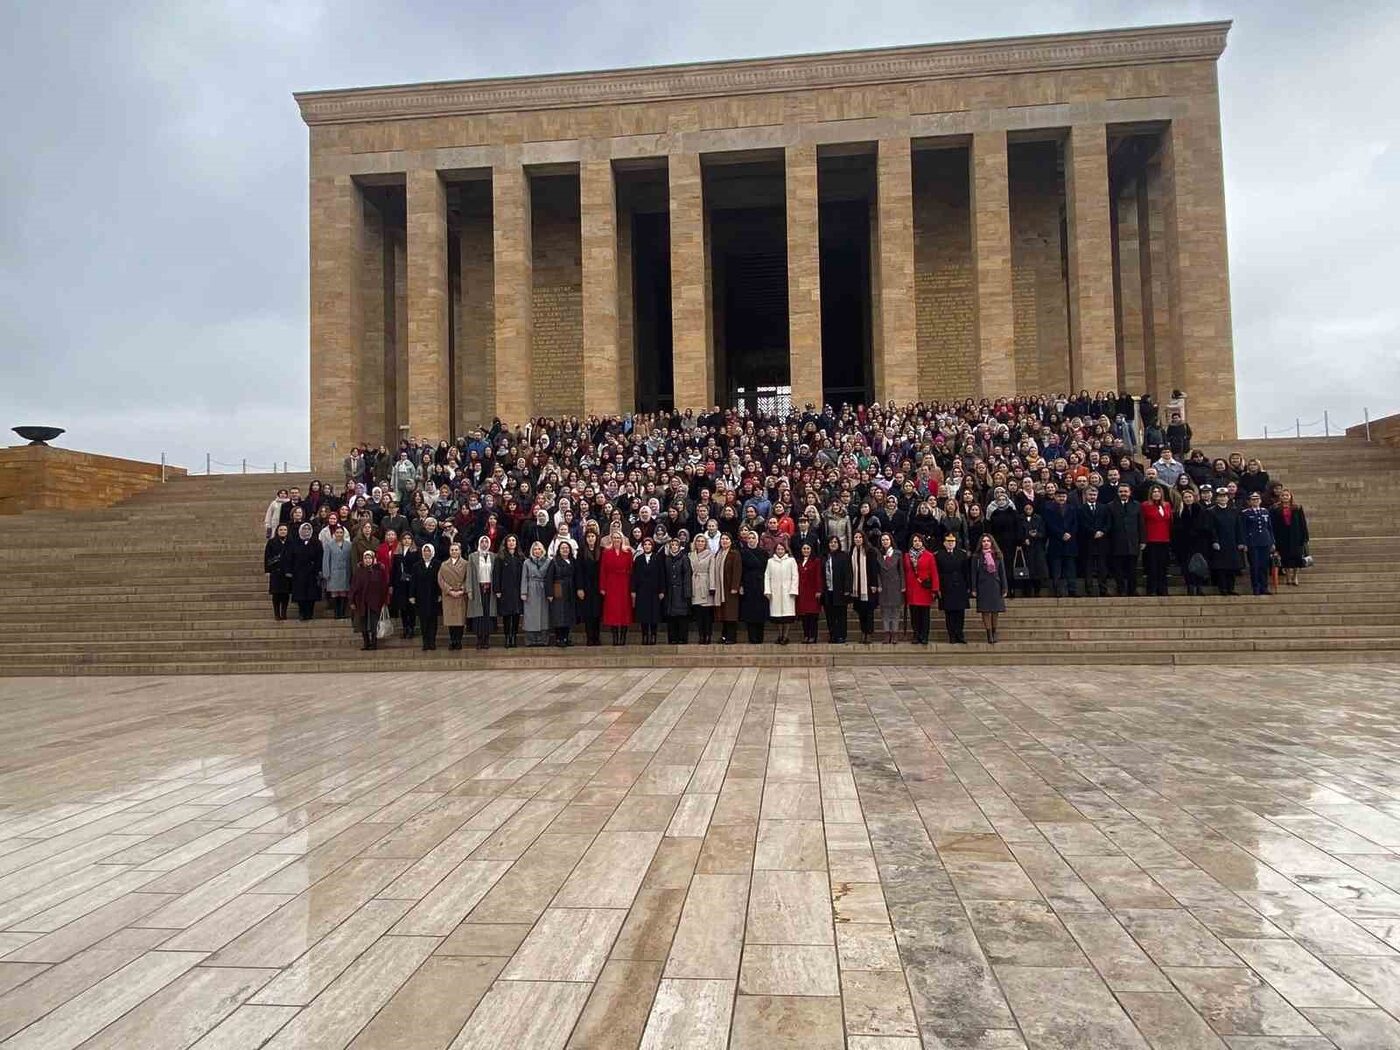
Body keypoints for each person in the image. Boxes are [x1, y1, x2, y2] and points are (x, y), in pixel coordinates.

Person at [1173, 488, 1213, 597]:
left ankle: (1199, 587)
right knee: (1186, 566)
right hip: (1184, 544)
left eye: (1189, 497)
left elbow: (1205, 526)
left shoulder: (1201, 510)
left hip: (1199, 543)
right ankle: (1190, 586)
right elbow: (1176, 528)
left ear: (1193, 497)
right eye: (1185, 497)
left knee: (1199, 565)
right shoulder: (1179, 511)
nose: (1188, 499)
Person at [1206, 488, 1246, 596]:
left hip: (1232, 543)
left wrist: (1240, 541)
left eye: (1224, 496)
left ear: (1228, 498)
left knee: (1232, 567)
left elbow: (1238, 527)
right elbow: (1212, 528)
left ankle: (1230, 588)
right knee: (1221, 567)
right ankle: (1222, 588)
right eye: (1220, 496)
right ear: (1216, 498)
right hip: (1219, 543)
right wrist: (1215, 541)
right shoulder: (1212, 511)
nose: (1222, 498)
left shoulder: (1234, 511)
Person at [933, 531, 971, 644]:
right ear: (944, 543)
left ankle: (960, 634)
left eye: (953, 541)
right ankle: (952, 635)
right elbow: (937, 573)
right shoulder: (938, 555)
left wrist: (968, 586)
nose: (951, 543)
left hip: (960, 586)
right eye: (948, 541)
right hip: (946, 586)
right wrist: (937, 588)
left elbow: (966, 572)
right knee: (949, 613)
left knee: (960, 613)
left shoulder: (962, 554)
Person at [971, 534, 1009, 644]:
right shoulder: (976, 557)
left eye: (988, 541)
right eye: (984, 541)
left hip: (995, 585)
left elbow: (1002, 572)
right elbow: (973, 573)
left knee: (995, 611)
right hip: (982, 585)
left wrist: (1004, 587)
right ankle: (988, 634)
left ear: (992, 543)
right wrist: (973, 588)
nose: (986, 543)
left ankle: (994, 632)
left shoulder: (997, 555)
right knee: (985, 611)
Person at [1107, 484, 1142, 597]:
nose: (1123, 494)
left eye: (1125, 491)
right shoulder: (1111, 506)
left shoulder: (1137, 505)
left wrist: (1143, 541)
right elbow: (1109, 525)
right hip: (1116, 542)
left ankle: (1132, 590)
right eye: (1121, 491)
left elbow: (1141, 524)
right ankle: (1121, 589)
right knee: (1118, 569)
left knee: (1132, 569)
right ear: (1118, 493)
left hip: (1132, 542)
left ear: (1130, 492)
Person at [349, 548, 389, 650]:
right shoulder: (359, 571)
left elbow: (384, 586)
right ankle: (366, 643)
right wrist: (352, 600)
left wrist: (384, 600)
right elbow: (354, 586)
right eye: (366, 558)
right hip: (361, 602)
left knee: (374, 624)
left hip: (375, 601)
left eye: (369, 558)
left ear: (373, 559)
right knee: (363, 624)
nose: (367, 560)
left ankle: (374, 643)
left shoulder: (379, 570)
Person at [600, 531, 635, 646]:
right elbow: (603, 571)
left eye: (618, 538)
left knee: (624, 611)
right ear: (611, 539)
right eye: (614, 538)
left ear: (622, 539)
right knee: (613, 611)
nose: (616, 540)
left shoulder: (628, 552)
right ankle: (615, 638)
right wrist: (603, 587)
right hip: (611, 584)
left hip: (625, 583)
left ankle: (623, 638)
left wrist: (632, 588)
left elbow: (631, 570)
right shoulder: (606, 552)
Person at [1042, 489, 1078, 599]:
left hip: (1070, 543)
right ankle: (1057, 590)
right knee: (1056, 569)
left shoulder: (1072, 508)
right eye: (1059, 496)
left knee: (1070, 569)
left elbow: (1075, 523)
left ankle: (1072, 590)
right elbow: (1049, 524)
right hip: (1055, 542)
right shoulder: (1049, 509)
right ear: (1055, 497)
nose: (1061, 498)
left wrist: (1069, 534)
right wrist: (1061, 534)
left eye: (1063, 496)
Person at [1270, 489, 1310, 587]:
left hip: (1296, 536)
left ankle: (1295, 576)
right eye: (1283, 495)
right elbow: (1273, 524)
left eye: (1287, 495)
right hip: (1282, 536)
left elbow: (1302, 523)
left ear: (1290, 496)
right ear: (1280, 497)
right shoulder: (1276, 508)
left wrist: (1305, 537)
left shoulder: (1297, 508)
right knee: (1285, 557)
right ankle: (1288, 576)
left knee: (1297, 556)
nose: (1285, 497)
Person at [903, 533, 938, 645]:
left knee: (924, 615)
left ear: (922, 542)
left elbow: (934, 573)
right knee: (914, 614)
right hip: (912, 589)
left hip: (924, 589)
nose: (917, 543)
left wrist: (935, 589)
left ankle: (924, 636)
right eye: (914, 541)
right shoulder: (907, 556)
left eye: (919, 541)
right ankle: (916, 634)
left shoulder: (929, 555)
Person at [631, 536, 665, 645]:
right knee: (644, 614)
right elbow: (634, 576)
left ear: (652, 546)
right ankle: (645, 635)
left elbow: (661, 575)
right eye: (645, 544)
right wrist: (633, 590)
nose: (647, 546)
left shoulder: (657, 558)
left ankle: (653, 635)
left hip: (654, 591)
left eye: (649, 544)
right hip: (642, 591)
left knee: (654, 614)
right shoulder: (639, 559)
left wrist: (662, 590)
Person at [1241, 491, 1277, 596]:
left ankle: (1264, 587)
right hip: (1252, 542)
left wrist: (1272, 541)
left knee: (1264, 566)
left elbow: (1269, 528)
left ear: (1260, 500)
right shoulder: (1246, 513)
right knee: (1255, 566)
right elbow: (1243, 529)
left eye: (1257, 499)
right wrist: (1245, 543)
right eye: (1253, 499)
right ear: (1249, 501)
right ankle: (1256, 587)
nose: (1255, 501)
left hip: (1265, 541)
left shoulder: (1265, 511)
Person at [493, 534, 525, 648]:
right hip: (505, 590)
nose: (511, 543)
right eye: (509, 541)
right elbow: (496, 574)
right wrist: (497, 589)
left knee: (516, 615)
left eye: (513, 541)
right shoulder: (500, 557)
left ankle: (514, 637)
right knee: (506, 615)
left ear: (516, 543)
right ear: (506, 543)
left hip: (517, 591)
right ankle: (507, 638)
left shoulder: (521, 557)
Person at [764, 541, 799, 646]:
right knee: (778, 616)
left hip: (788, 592)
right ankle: (780, 635)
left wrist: (793, 590)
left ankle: (786, 636)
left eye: (782, 549)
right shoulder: (770, 561)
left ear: (785, 550)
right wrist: (768, 590)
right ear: (775, 550)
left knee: (787, 616)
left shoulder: (791, 561)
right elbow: (767, 576)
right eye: (778, 549)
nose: (780, 551)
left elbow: (795, 576)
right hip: (775, 592)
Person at [739, 531, 770, 644]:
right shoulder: (742, 553)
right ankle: (752, 638)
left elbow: (767, 569)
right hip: (748, 584)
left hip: (761, 584)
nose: (751, 540)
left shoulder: (763, 553)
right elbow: (740, 570)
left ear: (757, 540)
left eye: (753, 538)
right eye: (749, 538)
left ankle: (760, 637)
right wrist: (741, 584)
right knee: (749, 612)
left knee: (760, 612)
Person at [710, 531, 742, 645]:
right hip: (720, 588)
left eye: (727, 539)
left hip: (730, 588)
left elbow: (737, 571)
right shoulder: (718, 553)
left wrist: (735, 586)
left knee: (731, 614)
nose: (724, 541)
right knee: (723, 614)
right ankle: (724, 636)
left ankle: (731, 637)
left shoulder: (734, 554)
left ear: (730, 541)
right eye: (722, 539)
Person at [465, 535, 496, 650]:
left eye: (486, 542)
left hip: (490, 590)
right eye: (482, 542)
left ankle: (486, 639)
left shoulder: (493, 556)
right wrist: (469, 589)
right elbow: (469, 574)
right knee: (478, 615)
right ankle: (479, 640)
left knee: (488, 614)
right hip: (477, 588)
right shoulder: (472, 556)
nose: (484, 544)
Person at [1141, 487, 1173, 596]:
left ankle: (1163, 589)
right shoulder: (1145, 505)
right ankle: (1152, 590)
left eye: (1158, 491)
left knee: (1163, 566)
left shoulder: (1167, 505)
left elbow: (1170, 522)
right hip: (1151, 540)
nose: (1156, 493)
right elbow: (1142, 523)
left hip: (1164, 539)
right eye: (1154, 492)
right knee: (1152, 566)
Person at [544, 540, 578, 646]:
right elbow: (549, 578)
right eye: (563, 548)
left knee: (568, 615)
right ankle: (559, 638)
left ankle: (566, 637)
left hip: (570, 590)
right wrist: (549, 593)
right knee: (559, 615)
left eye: (567, 548)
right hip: (558, 589)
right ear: (559, 550)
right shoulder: (554, 561)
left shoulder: (573, 561)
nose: (565, 550)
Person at [437, 541, 470, 650]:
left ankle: (458, 640)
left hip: (461, 594)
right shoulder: (444, 564)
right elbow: (440, 579)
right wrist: (449, 590)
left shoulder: (466, 564)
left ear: (460, 551)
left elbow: (468, 578)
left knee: (459, 620)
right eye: (452, 550)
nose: (454, 551)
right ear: (449, 551)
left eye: (456, 549)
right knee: (450, 620)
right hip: (448, 595)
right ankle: (452, 640)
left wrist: (462, 589)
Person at [848, 530, 879, 644]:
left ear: (863, 538)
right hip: (857, 587)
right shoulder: (852, 551)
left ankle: (869, 633)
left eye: (859, 537)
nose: (857, 539)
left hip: (868, 586)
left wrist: (874, 584)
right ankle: (863, 632)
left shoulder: (870, 551)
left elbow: (873, 569)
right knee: (860, 612)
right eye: (855, 537)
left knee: (869, 611)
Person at [288, 522, 323, 621]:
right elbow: (290, 557)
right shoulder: (295, 542)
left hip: (312, 573)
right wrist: (290, 570)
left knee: (311, 595)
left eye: (308, 529)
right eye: (304, 529)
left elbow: (320, 557)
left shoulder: (316, 542)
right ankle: (302, 612)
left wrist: (318, 570)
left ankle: (310, 613)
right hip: (298, 573)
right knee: (300, 594)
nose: (306, 531)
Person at [661, 537, 693, 644]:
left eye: (676, 545)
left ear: (679, 547)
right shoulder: (667, 559)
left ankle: (682, 638)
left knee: (682, 616)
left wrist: (687, 592)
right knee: (671, 617)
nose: (674, 547)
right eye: (672, 545)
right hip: (670, 592)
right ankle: (672, 638)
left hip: (681, 592)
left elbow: (687, 575)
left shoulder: (684, 558)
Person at [822, 535, 853, 644]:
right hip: (828, 591)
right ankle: (833, 635)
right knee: (830, 616)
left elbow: (848, 574)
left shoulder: (843, 556)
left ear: (838, 544)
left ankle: (841, 636)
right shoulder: (825, 557)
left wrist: (847, 589)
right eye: (831, 542)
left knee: (841, 615)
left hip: (840, 591)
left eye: (835, 542)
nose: (833, 544)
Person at [520, 541, 551, 647]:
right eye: (535, 549)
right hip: (531, 589)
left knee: (544, 615)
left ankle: (543, 639)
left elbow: (550, 577)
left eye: (539, 549)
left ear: (542, 550)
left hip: (543, 589)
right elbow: (524, 577)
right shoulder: (527, 562)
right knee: (530, 615)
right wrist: (523, 592)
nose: (537, 551)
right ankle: (530, 640)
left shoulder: (548, 561)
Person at [410, 542, 440, 650]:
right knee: (423, 620)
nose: (426, 553)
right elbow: (413, 581)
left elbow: (440, 581)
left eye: (428, 551)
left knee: (433, 620)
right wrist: (411, 595)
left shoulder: (437, 564)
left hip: (433, 595)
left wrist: (440, 594)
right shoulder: (416, 565)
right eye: (425, 551)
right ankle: (425, 642)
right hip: (421, 596)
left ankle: (432, 641)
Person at [576, 532, 604, 646]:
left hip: (598, 587)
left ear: (596, 538)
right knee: (588, 614)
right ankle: (590, 638)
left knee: (597, 613)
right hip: (586, 586)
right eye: (588, 537)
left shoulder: (601, 551)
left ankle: (597, 637)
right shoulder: (581, 551)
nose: (591, 539)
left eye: (593, 536)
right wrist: (580, 588)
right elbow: (578, 571)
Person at [876, 531, 904, 644]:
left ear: (891, 541)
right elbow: (877, 572)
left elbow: (901, 571)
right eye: (883, 540)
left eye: (887, 539)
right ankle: (887, 633)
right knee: (885, 611)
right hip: (883, 586)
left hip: (895, 585)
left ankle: (894, 633)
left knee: (895, 611)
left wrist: (903, 586)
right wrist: (878, 584)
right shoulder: (878, 554)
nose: (885, 542)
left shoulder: (897, 553)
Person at [1016, 500, 1048, 598]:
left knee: (1038, 570)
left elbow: (1043, 532)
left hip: (1037, 548)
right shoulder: (1020, 519)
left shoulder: (1038, 518)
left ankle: (1037, 590)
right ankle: (1027, 591)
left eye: (1030, 508)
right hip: (1026, 549)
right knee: (1026, 570)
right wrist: (1024, 539)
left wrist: (1036, 535)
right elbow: (1017, 532)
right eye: (1026, 509)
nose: (1028, 510)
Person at [794, 540, 824, 643]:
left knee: (813, 616)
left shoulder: (816, 561)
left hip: (812, 591)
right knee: (804, 616)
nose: (806, 550)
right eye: (804, 549)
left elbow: (818, 576)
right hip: (802, 592)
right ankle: (806, 635)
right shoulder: (798, 561)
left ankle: (813, 636)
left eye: (808, 549)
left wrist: (819, 590)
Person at [689, 534, 716, 644]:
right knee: (699, 614)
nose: (700, 543)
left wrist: (712, 587)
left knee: (707, 614)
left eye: (702, 541)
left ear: (705, 543)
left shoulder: (711, 555)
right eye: (698, 541)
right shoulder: (690, 555)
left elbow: (712, 571)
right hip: (694, 584)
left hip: (706, 584)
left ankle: (708, 635)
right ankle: (701, 635)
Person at [321, 524, 353, 619]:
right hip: (333, 573)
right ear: (334, 534)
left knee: (343, 593)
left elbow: (351, 559)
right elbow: (326, 560)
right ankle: (337, 613)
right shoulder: (329, 545)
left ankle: (342, 612)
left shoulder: (349, 545)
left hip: (345, 572)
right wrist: (326, 573)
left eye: (341, 532)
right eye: (337, 532)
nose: (339, 534)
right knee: (335, 593)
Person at [390, 532, 418, 639]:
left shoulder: (415, 553)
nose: (407, 540)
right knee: (403, 608)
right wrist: (391, 584)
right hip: (399, 584)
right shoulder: (397, 553)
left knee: (411, 607)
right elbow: (393, 570)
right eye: (404, 538)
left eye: (409, 538)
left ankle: (411, 628)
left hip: (411, 583)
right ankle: (405, 628)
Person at [264, 523, 292, 620]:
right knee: (276, 594)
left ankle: (284, 613)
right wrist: (267, 570)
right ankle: (277, 613)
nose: (283, 531)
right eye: (281, 530)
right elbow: (267, 556)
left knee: (285, 594)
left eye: (285, 530)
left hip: (287, 572)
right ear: (277, 531)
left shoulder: (290, 542)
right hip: (276, 572)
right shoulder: (272, 542)